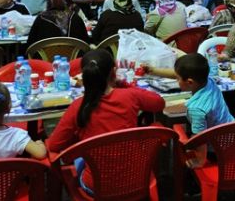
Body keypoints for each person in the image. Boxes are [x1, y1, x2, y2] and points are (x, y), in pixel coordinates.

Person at [47, 50, 165, 193]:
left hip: (97, 187)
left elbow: (54, 145)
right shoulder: (130, 96)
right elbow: (159, 103)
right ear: (114, 72)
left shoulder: (78, 106)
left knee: (78, 159)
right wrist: (125, 84)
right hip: (137, 181)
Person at [174, 53, 235, 168]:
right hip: (233, 136)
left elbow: (200, 139)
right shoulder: (209, 82)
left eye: (177, 78)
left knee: (185, 133)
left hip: (218, 150)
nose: (176, 80)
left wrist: (200, 161)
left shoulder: (196, 109)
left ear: (190, 82)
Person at [0, 81, 46, 161]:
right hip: (7, 172)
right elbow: (41, 154)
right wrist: (39, 142)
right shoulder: (16, 135)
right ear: (8, 108)